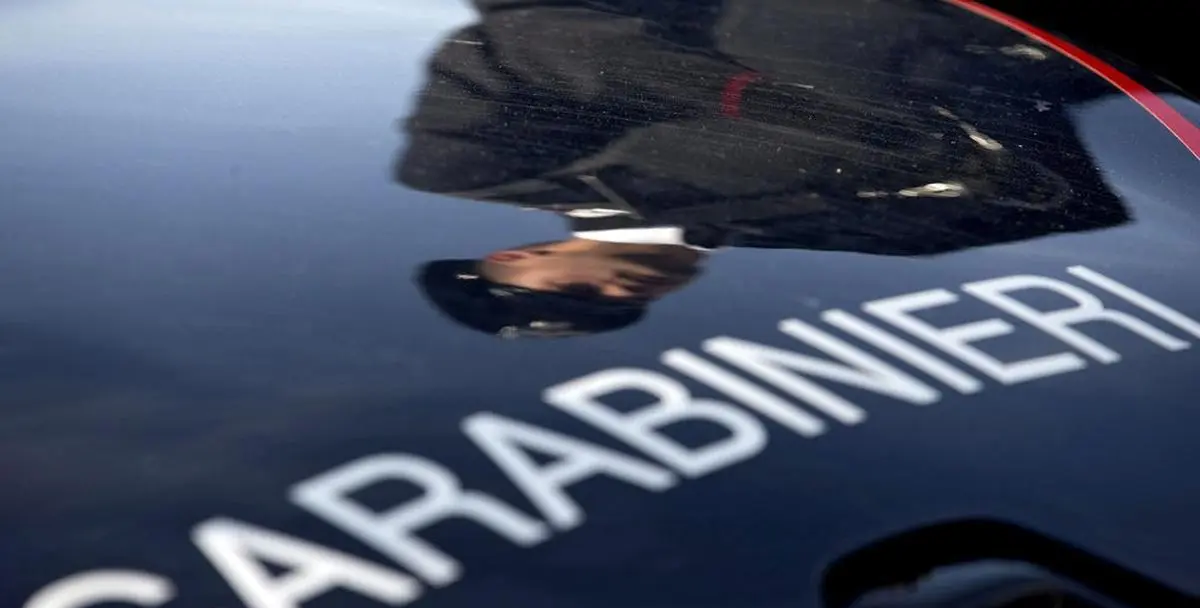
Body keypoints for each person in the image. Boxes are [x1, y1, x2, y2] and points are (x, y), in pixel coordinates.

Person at [398, 0, 1128, 338]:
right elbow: (1096, 220)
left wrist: (749, 94)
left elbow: (517, 41)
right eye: (613, 310)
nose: (613, 292)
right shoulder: (843, 261)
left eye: (578, 292)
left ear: (519, 256)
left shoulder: (516, 164)